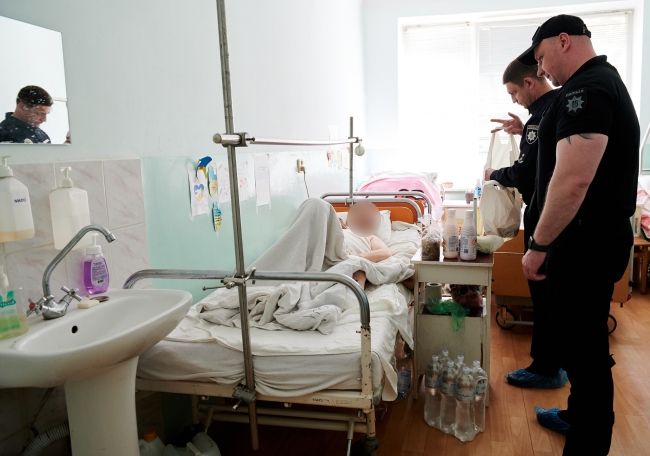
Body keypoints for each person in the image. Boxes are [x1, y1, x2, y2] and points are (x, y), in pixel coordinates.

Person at [518, 15, 638, 455]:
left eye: (541, 57)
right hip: (588, 243)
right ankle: (576, 417)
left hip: (584, 248)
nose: (541, 69)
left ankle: (587, 443)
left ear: (564, 41)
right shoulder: (595, 84)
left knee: (585, 356)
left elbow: (572, 181)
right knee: (578, 346)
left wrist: (538, 245)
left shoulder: (586, 90)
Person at [486, 61, 567, 389]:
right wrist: (523, 130)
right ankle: (554, 363)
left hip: (544, 214)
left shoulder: (541, 116)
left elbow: (523, 173)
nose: (514, 100)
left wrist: (493, 174)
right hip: (555, 214)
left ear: (530, 83)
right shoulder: (554, 107)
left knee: (544, 295)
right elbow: (545, 154)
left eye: (514, 92)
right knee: (552, 296)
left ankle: (546, 368)